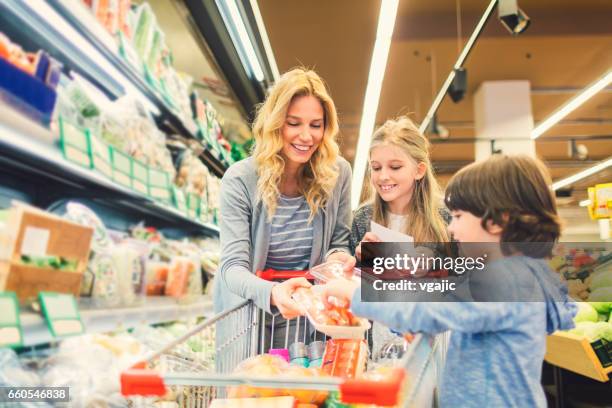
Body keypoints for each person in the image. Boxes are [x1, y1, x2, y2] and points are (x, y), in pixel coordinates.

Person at [318, 154, 577, 407]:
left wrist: (356, 296)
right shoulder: (523, 273)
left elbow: (429, 310)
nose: (451, 228)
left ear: (499, 221)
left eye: (459, 216)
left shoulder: (502, 280)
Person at [214, 68, 355, 324]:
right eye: (293, 123)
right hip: (250, 318)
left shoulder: (338, 174)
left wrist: (337, 260)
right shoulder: (240, 180)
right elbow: (232, 267)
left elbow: (339, 241)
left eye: (316, 125)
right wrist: (273, 293)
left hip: (309, 319)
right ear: (275, 123)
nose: (306, 136)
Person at [350, 116, 450, 262]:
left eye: (395, 167)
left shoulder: (446, 216)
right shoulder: (362, 218)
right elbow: (351, 279)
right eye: (376, 168)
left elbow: (466, 276)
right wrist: (359, 260)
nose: (383, 176)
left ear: (419, 170)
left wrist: (434, 265)